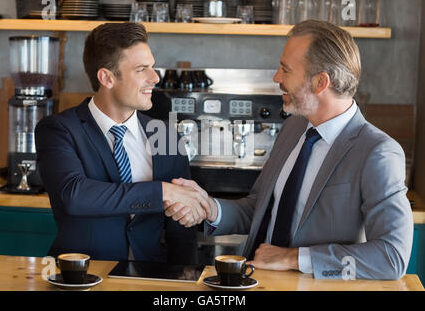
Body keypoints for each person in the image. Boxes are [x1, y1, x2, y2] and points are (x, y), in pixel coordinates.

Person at [164, 20, 414, 279]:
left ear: (320, 83)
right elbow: (258, 209)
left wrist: (293, 258)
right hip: (254, 281)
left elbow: (391, 257)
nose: (276, 78)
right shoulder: (294, 127)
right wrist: (210, 208)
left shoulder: (377, 151)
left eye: (286, 70)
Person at [35, 22, 210, 263]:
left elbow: (180, 230)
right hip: (81, 278)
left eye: (152, 67)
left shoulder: (166, 136)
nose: (155, 77)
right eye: (141, 70)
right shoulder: (59, 130)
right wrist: (162, 191)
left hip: (148, 280)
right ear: (106, 78)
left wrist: (181, 279)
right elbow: (74, 195)